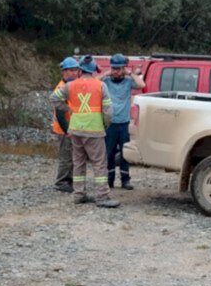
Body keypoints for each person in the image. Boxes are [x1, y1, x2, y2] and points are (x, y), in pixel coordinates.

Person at [51, 56, 118, 207]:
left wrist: (69, 109)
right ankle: (102, 196)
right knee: (99, 163)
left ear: (80, 70)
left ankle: (78, 194)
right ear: (94, 70)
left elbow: (54, 99)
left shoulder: (70, 86)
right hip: (94, 130)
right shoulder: (100, 86)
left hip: (76, 130)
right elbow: (108, 111)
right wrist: (105, 125)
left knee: (78, 162)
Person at [103, 54, 145, 189]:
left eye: (118, 68)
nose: (116, 71)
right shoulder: (106, 82)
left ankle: (125, 180)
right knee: (108, 153)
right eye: (113, 68)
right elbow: (93, 81)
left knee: (125, 152)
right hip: (110, 124)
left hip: (124, 123)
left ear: (123, 69)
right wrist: (107, 73)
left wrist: (130, 73)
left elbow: (141, 84)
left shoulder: (128, 82)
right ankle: (109, 180)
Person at [51, 57, 80, 192]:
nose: (74, 73)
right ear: (64, 72)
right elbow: (60, 113)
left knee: (72, 155)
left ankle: (69, 180)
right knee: (66, 157)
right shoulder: (62, 88)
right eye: (70, 71)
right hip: (64, 129)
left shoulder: (70, 86)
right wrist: (67, 131)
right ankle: (62, 182)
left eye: (75, 70)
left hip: (70, 127)